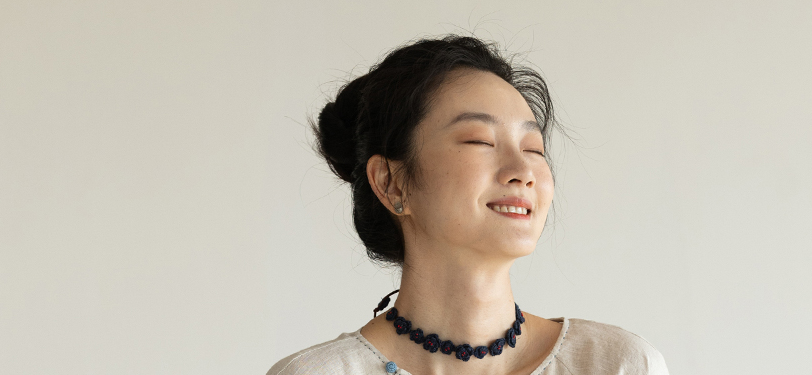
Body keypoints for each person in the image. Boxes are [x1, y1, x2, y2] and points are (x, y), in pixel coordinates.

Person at [267, 35, 668, 375]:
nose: (523, 172)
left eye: (533, 148)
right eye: (480, 141)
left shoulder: (615, 364)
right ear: (391, 183)